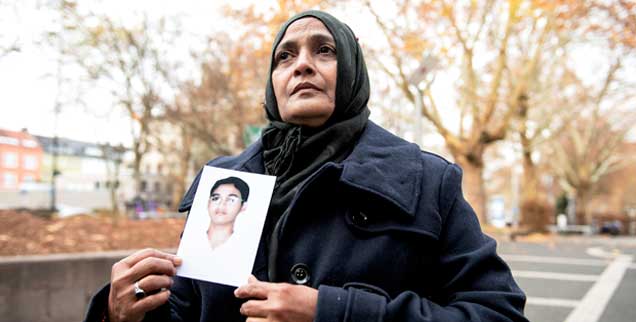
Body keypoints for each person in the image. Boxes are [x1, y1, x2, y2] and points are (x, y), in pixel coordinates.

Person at [84, 10, 528, 322]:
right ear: (272, 83)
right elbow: (188, 312)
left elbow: (497, 312)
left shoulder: (429, 181)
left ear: (352, 72)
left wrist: (330, 312)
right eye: (285, 56)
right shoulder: (226, 184)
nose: (303, 66)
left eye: (325, 51)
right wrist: (123, 311)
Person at [206, 177, 250, 250]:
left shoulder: (244, 248)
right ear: (208, 203)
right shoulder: (191, 239)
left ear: (243, 206)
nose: (222, 204)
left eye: (231, 200)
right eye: (216, 198)